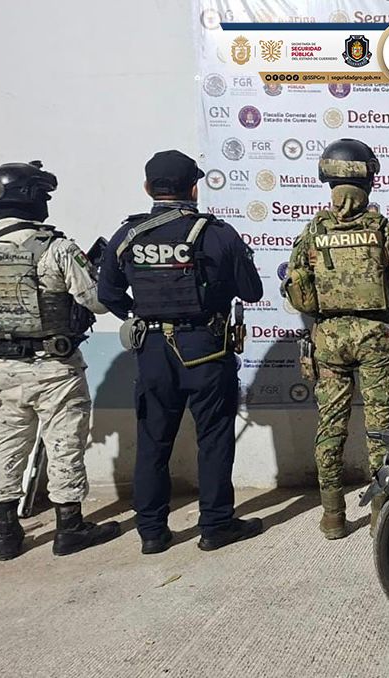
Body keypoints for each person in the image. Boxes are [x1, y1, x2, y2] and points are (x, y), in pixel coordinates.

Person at [98, 150, 264, 553]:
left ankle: (152, 532)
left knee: (153, 441)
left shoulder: (128, 235)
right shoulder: (217, 233)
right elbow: (252, 291)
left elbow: (107, 294)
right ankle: (215, 526)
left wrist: (142, 313)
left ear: (147, 188)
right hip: (206, 349)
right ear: (194, 189)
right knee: (214, 438)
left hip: (153, 350)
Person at [0, 161, 119, 560]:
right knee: (64, 444)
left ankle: (5, 534)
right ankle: (70, 529)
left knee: (6, 447)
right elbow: (96, 301)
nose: (47, 203)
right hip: (54, 367)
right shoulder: (56, 248)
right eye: (44, 195)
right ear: (31, 199)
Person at [283, 138, 389, 539]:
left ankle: (332, 517)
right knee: (381, 431)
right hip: (377, 339)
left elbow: (297, 291)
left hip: (328, 340)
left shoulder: (312, 232)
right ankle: (381, 517)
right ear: (369, 180)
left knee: (330, 428)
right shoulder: (385, 231)